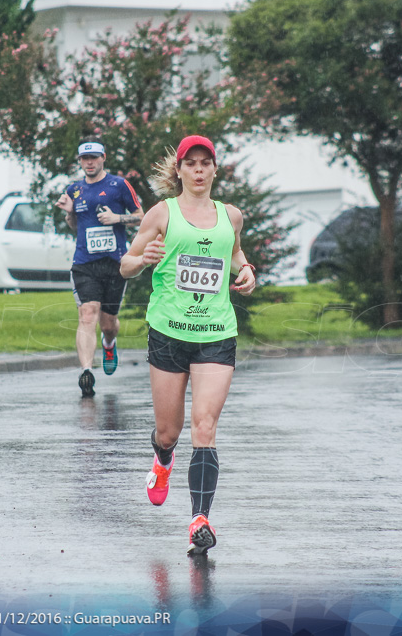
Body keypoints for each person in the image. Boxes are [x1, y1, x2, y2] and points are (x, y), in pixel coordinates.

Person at [120, 135, 257, 555]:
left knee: (205, 427)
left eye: (205, 163)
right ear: (178, 170)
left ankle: (200, 518)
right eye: (190, 164)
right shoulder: (162, 214)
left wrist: (247, 269)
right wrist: (141, 261)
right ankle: (163, 461)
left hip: (216, 332)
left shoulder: (230, 216)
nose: (198, 170)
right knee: (169, 430)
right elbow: (126, 264)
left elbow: (233, 252)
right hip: (168, 331)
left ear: (215, 169)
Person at [56, 139, 144, 397]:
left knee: (108, 323)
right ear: (80, 162)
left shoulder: (118, 185)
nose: (90, 162)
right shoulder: (74, 190)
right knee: (87, 314)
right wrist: (69, 213)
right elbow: (74, 225)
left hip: (115, 264)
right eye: (85, 158)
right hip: (84, 263)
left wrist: (117, 218)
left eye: (94, 157)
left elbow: (142, 216)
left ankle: (109, 343)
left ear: (103, 158)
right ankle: (86, 372)